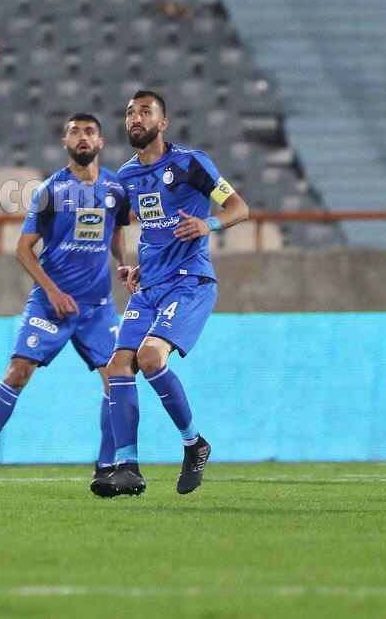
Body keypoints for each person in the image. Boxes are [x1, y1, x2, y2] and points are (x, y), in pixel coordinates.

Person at [0, 114, 130, 493]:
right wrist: (52, 291)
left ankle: (105, 466)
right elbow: (23, 248)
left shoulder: (116, 188)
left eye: (90, 132)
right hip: (50, 304)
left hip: (97, 308)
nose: (82, 137)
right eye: (75, 132)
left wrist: (123, 263)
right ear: (65, 143)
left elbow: (116, 230)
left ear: (101, 142)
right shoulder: (51, 190)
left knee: (117, 381)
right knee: (18, 372)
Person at [102, 90, 250, 497]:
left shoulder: (190, 163)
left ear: (163, 123)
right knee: (118, 368)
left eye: (145, 112)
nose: (135, 118)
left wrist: (208, 225)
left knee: (150, 358)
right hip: (150, 286)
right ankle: (128, 468)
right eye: (130, 112)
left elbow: (239, 208)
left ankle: (193, 444)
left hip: (189, 282)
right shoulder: (126, 176)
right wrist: (130, 264)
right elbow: (135, 225)